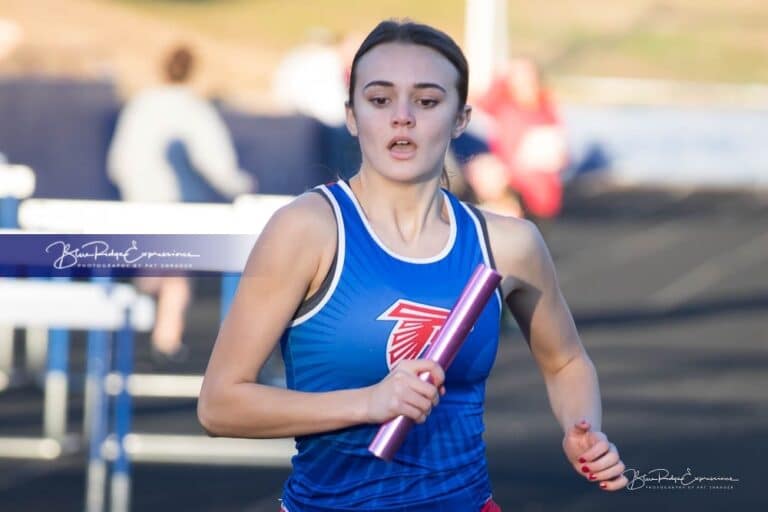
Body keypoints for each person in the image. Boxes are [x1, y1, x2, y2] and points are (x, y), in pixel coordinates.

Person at [198, 20, 626, 511]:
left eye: (426, 101)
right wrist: (367, 403)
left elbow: (566, 361)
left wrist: (583, 428)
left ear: (461, 119)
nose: (402, 117)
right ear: (352, 116)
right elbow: (219, 404)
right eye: (380, 100)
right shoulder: (307, 229)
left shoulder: (507, 243)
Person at [108, 44, 255, 361]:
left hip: (141, 201)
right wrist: (242, 188)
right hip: (178, 208)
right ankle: (165, 343)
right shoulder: (195, 110)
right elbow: (217, 165)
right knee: (172, 277)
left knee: (157, 274)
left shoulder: (141, 105)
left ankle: (148, 336)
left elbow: (118, 160)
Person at [473, 58, 569, 224]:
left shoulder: (546, 109)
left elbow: (559, 155)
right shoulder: (504, 105)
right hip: (509, 182)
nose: (522, 82)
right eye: (516, 76)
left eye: (526, 76)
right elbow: (479, 102)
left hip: (536, 188)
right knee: (486, 170)